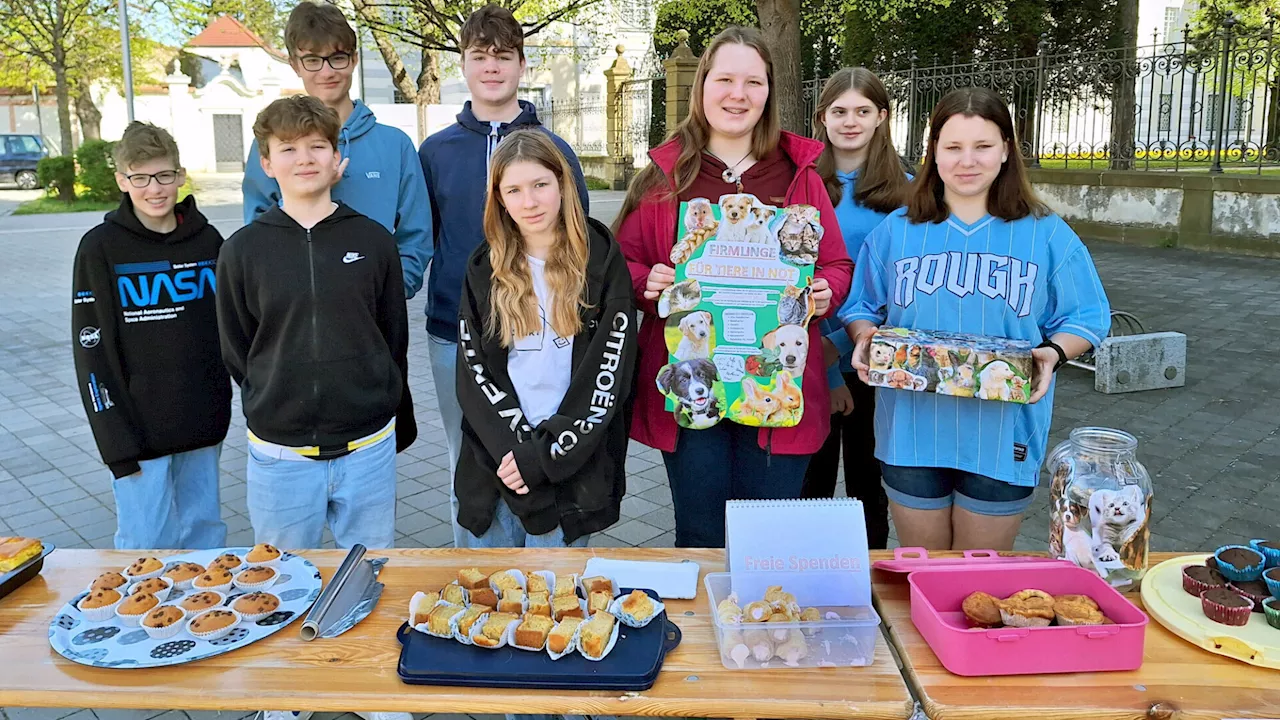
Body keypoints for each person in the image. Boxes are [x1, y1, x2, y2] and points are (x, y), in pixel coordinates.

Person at [613, 26, 854, 549]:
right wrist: (644, 282)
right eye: (724, 79)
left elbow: (835, 262)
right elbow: (620, 262)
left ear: (769, 93)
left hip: (775, 387)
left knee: (766, 541)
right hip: (694, 379)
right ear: (702, 88)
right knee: (700, 536)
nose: (738, 94)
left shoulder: (798, 175)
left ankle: (762, 633)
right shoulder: (666, 176)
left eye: (753, 82)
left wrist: (822, 292)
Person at [841, 87, 1111, 551]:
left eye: (983, 146)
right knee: (921, 576)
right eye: (953, 147)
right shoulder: (896, 231)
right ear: (934, 153)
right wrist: (865, 337)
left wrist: (1052, 353)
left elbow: (1088, 315)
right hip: (912, 429)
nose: (968, 161)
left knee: (976, 583)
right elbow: (861, 305)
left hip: (1002, 433)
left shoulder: (1046, 233)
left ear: (1006, 149)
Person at [418, 4, 589, 548]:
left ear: (520, 64)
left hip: (544, 329)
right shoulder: (437, 150)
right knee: (469, 453)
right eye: (479, 56)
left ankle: (552, 565)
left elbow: (579, 236)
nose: (492, 67)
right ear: (463, 66)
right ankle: (481, 576)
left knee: (545, 443)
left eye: (504, 56)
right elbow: (429, 235)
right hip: (455, 333)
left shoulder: (553, 150)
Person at [218, 94, 413, 551]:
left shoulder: (373, 240)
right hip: (280, 455)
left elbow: (393, 336)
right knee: (280, 583)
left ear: (337, 157)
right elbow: (237, 346)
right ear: (266, 163)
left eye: (316, 146)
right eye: (287, 148)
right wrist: (275, 395)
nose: (304, 159)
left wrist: (376, 395)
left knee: (369, 575)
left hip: (366, 448)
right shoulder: (242, 251)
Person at [454, 128, 636, 550]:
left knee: (556, 605)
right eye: (514, 190)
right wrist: (515, 451)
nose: (529, 202)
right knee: (492, 601)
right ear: (499, 198)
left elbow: (609, 374)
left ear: (563, 184)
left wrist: (544, 454)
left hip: (569, 460)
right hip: (498, 461)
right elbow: (473, 371)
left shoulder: (602, 262)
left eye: (540, 185)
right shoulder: (484, 267)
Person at [71, 121, 230, 550]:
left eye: (163, 175)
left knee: (206, 541)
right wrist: (114, 441)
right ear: (122, 180)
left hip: (202, 420)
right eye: (140, 178)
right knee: (145, 546)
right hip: (138, 431)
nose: (154, 189)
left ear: (180, 176)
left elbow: (230, 329)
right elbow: (92, 352)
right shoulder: (100, 248)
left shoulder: (208, 241)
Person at [242, 0, 431, 300]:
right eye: (313, 60)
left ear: (354, 59)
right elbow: (257, 229)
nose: (327, 71)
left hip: (372, 314)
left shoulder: (395, 145)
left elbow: (416, 236)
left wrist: (389, 292)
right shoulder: (273, 143)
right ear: (294, 64)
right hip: (295, 313)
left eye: (337, 57)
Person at [800, 68, 911, 549]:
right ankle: (805, 588)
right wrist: (823, 362)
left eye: (863, 111)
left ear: (882, 117)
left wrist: (843, 347)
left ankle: (868, 591)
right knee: (810, 485)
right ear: (822, 117)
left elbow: (901, 287)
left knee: (869, 484)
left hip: (876, 362)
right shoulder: (802, 184)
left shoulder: (910, 192)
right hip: (806, 357)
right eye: (839, 112)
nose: (851, 122)